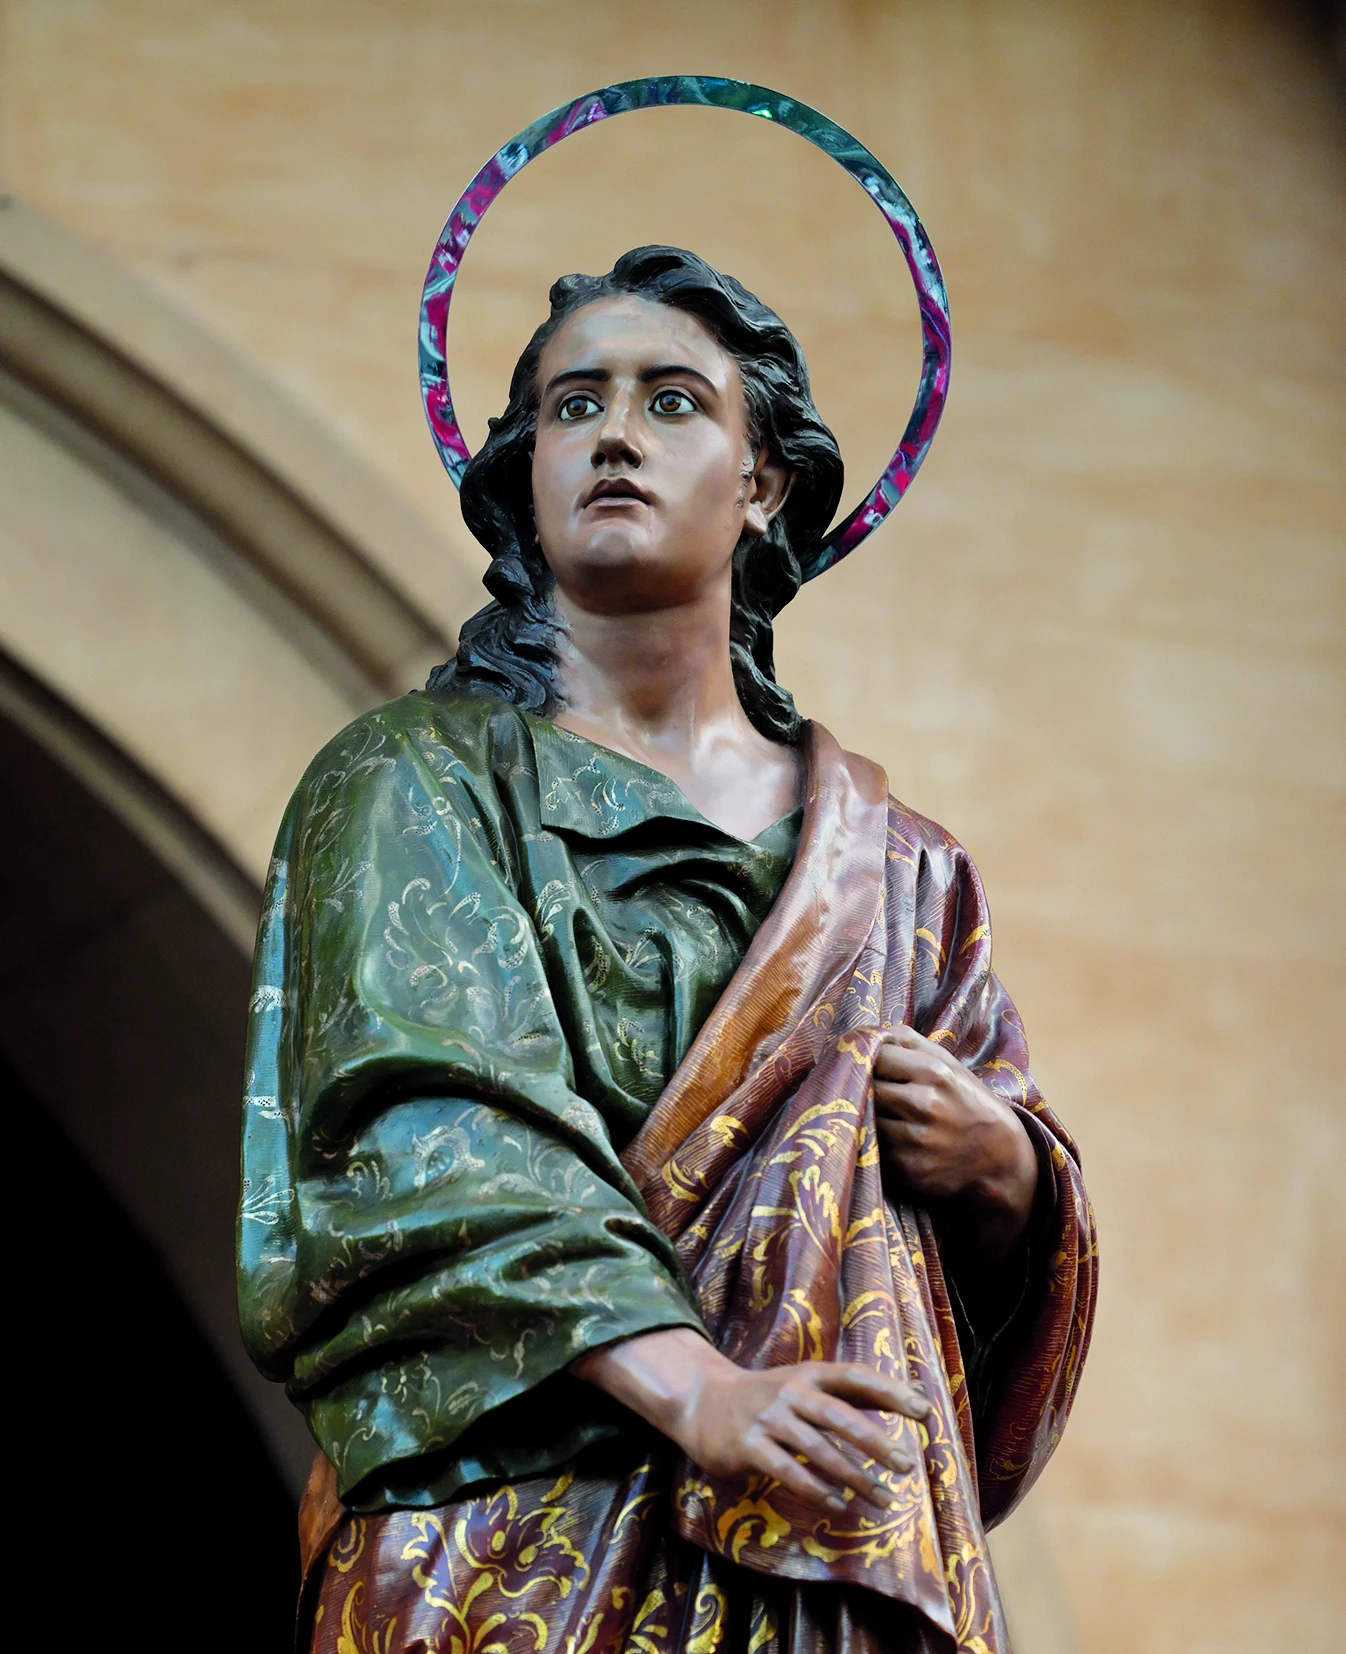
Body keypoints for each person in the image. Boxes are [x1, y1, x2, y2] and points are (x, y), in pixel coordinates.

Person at [238, 246, 1096, 1654]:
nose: (615, 435)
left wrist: (1004, 1173)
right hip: (509, 1534)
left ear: (765, 481)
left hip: (816, 1532)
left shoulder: (901, 870)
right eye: (573, 406)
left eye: (673, 401)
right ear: (524, 472)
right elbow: (426, 1130)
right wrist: (701, 1392)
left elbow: (984, 1267)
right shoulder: (412, 780)